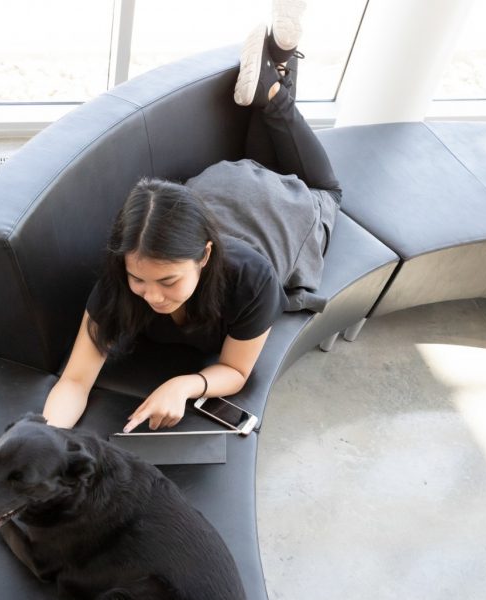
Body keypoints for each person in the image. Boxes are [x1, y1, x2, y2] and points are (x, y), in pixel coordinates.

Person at [43, 0, 342, 433]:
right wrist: (45, 438)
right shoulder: (120, 278)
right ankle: (275, 69)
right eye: (139, 280)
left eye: (168, 281)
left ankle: (275, 89)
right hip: (226, 187)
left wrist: (186, 384)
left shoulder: (251, 278)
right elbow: (74, 381)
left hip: (283, 208)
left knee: (328, 191)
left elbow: (237, 371)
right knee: (261, 156)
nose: (153, 297)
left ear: (204, 255)